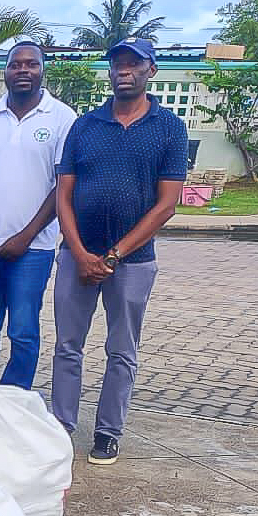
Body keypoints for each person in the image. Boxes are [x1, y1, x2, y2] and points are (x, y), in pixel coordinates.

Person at [52, 37, 187, 465]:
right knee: (67, 346)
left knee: (121, 349)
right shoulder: (85, 127)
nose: (123, 71)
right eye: (117, 65)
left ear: (152, 70)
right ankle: (60, 428)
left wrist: (114, 255)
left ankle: (108, 432)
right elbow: (63, 193)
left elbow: (166, 203)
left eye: (134, 64)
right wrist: (78, 252)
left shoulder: (168, 129)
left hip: (132, 262)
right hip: (76, 256)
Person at [0, 41, 76, 390]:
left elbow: (63, 187)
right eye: (15, 65)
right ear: (5, 72)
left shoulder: (62, 119)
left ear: (42, 70)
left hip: (32, 251)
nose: (23, 70)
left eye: (31, 64)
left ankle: (12, 402)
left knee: (23, 332)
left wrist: (25, 236)